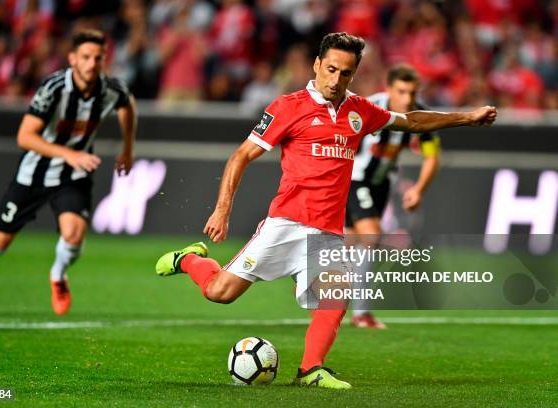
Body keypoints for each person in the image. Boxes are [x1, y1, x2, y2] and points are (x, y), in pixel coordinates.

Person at [155, 32, 496, 389]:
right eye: (330, 69)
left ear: (355, 73)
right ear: (317, 64)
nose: (335, 80)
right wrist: (221, 210)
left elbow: (411, 121)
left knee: (336, 298)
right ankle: (190, 260)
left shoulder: (360, 111)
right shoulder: (289, 106)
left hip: (328, 231)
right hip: (285, 224)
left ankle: (310, 369)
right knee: (220, 293)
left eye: (345, 73)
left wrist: (467, 118)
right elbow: (241, 155)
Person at [0, 29, 137, 323]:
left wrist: (127, 148)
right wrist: (68, 154)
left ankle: (58, 275)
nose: (91, 64)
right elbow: (25, 136)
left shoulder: (111, 89)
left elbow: (128, 105)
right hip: (34, 174)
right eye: (85, 57)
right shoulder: (54, 88)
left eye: (98, 58)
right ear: (73, 58)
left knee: (74, 234)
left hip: (73, 175)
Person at [346, 64, 441, 329]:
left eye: (412, 92)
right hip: (354, 180)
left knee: (349, 242)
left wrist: (418, 189)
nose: (407, 99)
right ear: (388, 89)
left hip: (381, 184)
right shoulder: (368, 108)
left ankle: (317, 287)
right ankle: (361, 313)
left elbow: (432, 157)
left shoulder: (421, 116)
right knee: (371, 236)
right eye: (401, 92)